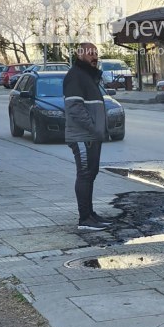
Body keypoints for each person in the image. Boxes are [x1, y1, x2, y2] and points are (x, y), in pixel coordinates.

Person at [64, 42, 113, 231]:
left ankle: (90, 214)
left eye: (96, 53)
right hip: (82, 136)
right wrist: (93, 128)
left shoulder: (88, 76)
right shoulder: (75, 76)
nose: (94, 56)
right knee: (85, 174)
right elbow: (75, 108)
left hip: (91, 136)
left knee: (91, 173)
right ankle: (84, 219)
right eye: (90, 53)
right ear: (80, 55)